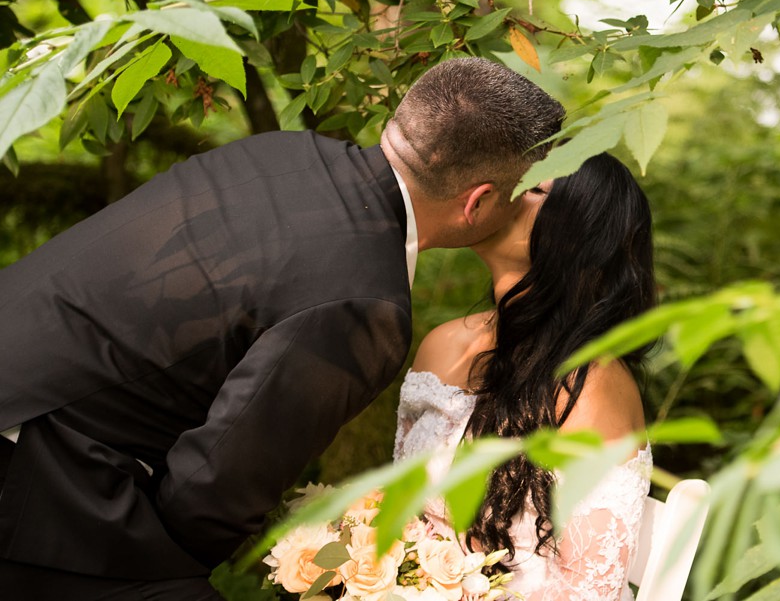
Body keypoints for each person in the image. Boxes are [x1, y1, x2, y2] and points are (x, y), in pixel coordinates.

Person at [0, 56, 563, 600]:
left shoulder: (281, 152)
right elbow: (214, 492)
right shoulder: (365, 300)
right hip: (38, 458)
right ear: (480, 201)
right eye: (527, 192)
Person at [394, 152, 656, 601]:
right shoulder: (442, 346)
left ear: (576, 236)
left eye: (532, 188)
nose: (500, 189)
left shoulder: (589, 387)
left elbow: (585, 593)